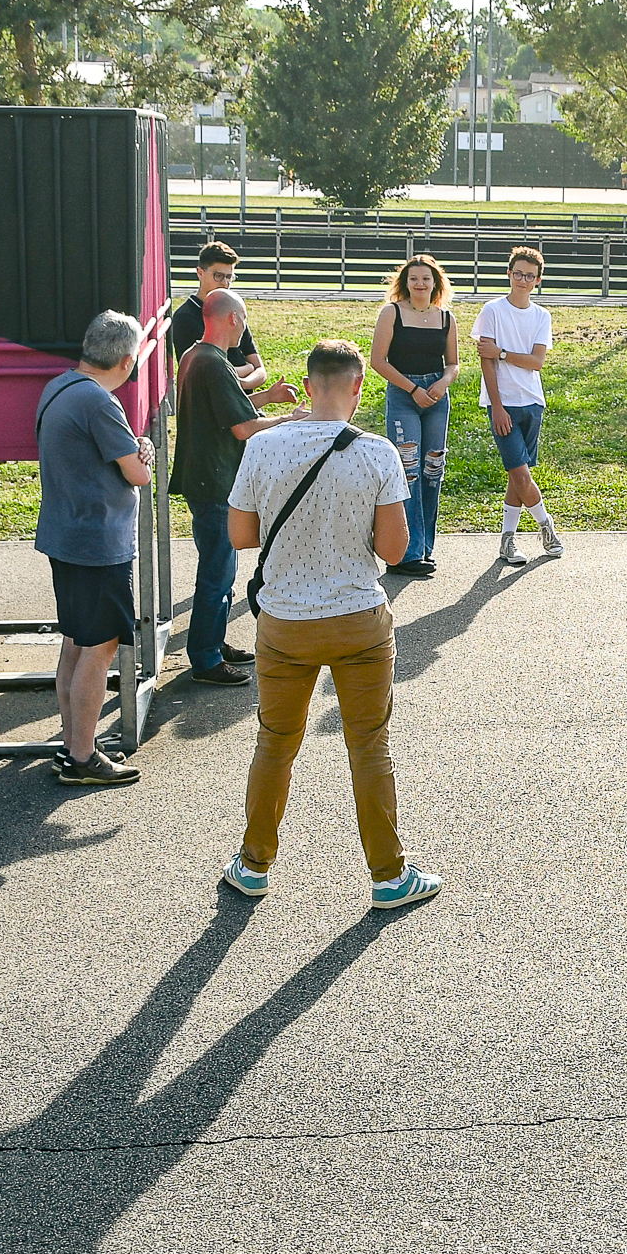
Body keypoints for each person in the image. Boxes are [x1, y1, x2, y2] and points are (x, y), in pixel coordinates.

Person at [220, 338, 441, 911]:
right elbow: (395, 551)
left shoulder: (263, 448)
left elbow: (242, 536)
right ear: (358, 388)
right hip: (358, 621)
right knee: (369, 745)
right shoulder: (377, 454)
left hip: (285, 622)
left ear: (309, 384)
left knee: (275, 743)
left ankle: (253, 865)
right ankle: (389, 875)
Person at [35, 310, 155, 785]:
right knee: (99, 647)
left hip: (66, 533)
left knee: (76, 642)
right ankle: (83, 757)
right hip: (98, 541)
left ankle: (73, 743)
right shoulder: (100, 403)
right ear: (127, 361)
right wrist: (142, 451)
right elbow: (138, 473)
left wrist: (134, 448)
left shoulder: (60, 386)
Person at [172, 289, 299, 686]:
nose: (245, 326)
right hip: (215, 481)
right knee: (217, 572)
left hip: (204, 476)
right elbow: (244, 427)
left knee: (220, 568)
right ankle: (206, 659)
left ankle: (213, 640)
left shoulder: (197, 356)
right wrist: (290, 418)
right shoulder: (213, 362)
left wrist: (268, 397)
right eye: (243, 318)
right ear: (231, 319)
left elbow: (228, 411)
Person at [372, 254, 461, 578]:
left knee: (432, 470)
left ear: (436, 282)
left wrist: (441, 383)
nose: (420, 284)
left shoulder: (445, 317)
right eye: (414, 279)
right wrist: (413, 389)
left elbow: (453, 363)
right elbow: (378, 361)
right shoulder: (391, 313)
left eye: (426, 278)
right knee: (407, 472)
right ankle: (403, 554)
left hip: (436, 398)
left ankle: (424, 549)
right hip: (404, 397)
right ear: (405, 283)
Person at [475, 246, 563, 568]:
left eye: (529, 275)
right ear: (508, 274)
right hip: (504, 405)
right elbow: (486, 361)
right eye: (517, 274)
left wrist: (501, 353)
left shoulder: (542, 316)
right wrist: (497, 406)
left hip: (533, 403)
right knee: (521, 473)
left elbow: (536, 362)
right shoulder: (492, 311)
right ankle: (546, 526)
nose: (522, 280)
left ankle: (507, 541)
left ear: (537, 280)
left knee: (518, 475)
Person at [168, 241, 269, 391]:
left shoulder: (232, 307)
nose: (225, 283)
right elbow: (201, 375)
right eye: (218, 276)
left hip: (245, 399)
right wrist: (246, 369)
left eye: (229, 277)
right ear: (200, 273)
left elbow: (260, 370)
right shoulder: (185, 317)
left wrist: (241, 383)